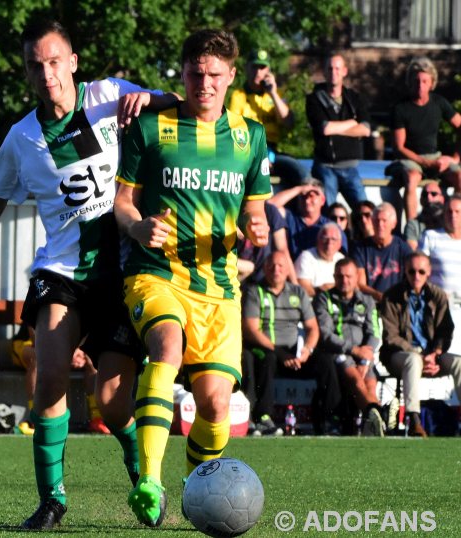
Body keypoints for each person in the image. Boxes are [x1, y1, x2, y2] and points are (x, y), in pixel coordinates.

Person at [0, 20, 176, 530]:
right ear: (27, 73)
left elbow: (179, 106)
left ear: (73, 62)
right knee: (51, 373)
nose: (47, 73)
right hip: (61, 272)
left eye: (55, 61)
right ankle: (52, 499)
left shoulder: (110, 96)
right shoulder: (22, 139)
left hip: (122, 274)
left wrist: (153, 100)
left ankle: (144, 478)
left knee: (111, 402)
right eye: (36, 65)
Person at [113, 28, 270, 527]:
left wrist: (259, 227)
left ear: (230, 78)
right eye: (195, 73)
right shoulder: (150, 127)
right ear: (182, 74)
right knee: (166, 349)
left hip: (219, 288)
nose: (204, 83)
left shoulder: (250, 137)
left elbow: (256, 215)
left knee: (216, 403)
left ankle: (194, 488)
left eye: (214, 76)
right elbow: (121, 203)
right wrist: (137, 226)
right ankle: (150, 480)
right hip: (156, 274)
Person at [379, 252, 461, 438]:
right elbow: (391, 337)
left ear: (428, 272)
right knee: (413, 361)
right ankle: (414, 422)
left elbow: (446, 330)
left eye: (421, 272)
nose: (416, 276)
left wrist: (436, 353)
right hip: (399, 355)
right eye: (411, 271)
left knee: (459, 362)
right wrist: (419, 355)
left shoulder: (438, 295)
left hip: (431, 355)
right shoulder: (391, 297)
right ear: (405, 272)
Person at [242, 252, 339, 436]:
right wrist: (280, 353)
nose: (276, 270)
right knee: (266, 358)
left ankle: (330, 419)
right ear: (264, 268)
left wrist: (307, 350)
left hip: (295, 355)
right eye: (271, 266)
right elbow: (251, 330)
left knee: (325, 361)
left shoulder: (298, 292)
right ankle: (263, 418)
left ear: (288, 270)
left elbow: (312, 328)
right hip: (269, 351)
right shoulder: (254, 291)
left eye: (280, 266)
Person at [387, 57, 461, 222]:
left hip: (434, 156)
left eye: (425, 81)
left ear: (432, 83)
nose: (420, 85)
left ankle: (455, 222)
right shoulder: (401, 108)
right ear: (410, 82)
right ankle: (412, 229)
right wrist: (424, 163)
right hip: (410, 158)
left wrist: (454, 157)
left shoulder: (439, 103)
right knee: (412, 178)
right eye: (416, 81)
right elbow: (399, 147)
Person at [313, 258, 384, 436]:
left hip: (364, 354)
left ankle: (375, 423)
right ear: (334, 277)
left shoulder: (367, 301)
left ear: (357, 277)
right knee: (356, 380)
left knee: (370, 384)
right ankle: (375, 414)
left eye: (349, 276)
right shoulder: (324, 298)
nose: (344, 280)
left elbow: (374, 332)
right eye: (340, 276)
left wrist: (365, 356)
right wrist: (354, 350)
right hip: (338, 352)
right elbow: (326, 334)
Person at [228, 49, 308, 186]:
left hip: (273, 151)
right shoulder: (238, 95)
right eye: (254, 67)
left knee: (299, 171)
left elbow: (288, 122)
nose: (258, 72)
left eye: (262, 67)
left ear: (268, 71)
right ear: (247, 68)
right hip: (248, 151)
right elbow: (233, 130)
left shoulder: (277, 94)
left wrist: (273, 94)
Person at [306, 53, 370, 209]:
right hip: (325, 167)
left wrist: (336, 128)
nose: (333, 72)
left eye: (337, 68)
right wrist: (352, 123)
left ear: (344, 71)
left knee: (365, 210)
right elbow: (325, 129)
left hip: (350, 167)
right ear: (324, 72)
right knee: (328, 210)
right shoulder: (314, 99)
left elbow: (366, 130)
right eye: (330, 68)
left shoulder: (353, 98)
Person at [419, 195, 461, 305]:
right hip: (436, 305)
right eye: (449, 211)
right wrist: (436, 294)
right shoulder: (430, 236)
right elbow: (420, 272)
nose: (453, 215)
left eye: (457, 211)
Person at [269, 178, 347, 260]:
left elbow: (342, 259)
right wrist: (299, 189)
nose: (307, 200)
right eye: (303, 196)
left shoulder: (331, 227)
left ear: (322, 200)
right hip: (292, 269)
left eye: (312, 196)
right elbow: (270, 206)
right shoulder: (290, 217)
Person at [354, 203, 413, 301]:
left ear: (393, 224)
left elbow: (411, 280)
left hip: (397, 303)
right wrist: (378, 296)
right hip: (368, 302)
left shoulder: (403, 249)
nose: (380, 224)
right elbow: (360, 284)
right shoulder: (360, 248)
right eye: (377, 220)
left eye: (384, 221)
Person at [236, 201, 297, 286]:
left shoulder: (270, 210)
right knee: (248, 267)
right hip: (235, 269)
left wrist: (295, 285)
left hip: (262, 278)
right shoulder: (231, 209)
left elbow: (283, 249)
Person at [294, 222, 345, 297]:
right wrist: (320, 290)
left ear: (340, 244)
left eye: (333, 239)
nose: (329, 243)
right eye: (325, 238)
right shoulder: (306, 257)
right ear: (318, 240)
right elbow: (303, 289)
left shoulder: (341, 258)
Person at [404, 182, 445, 249]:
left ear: (442, 199)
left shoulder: (449, 222)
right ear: (420, 200)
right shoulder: (413, 225)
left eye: (433, 194)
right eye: (425, 194)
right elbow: (413, 254)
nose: (428, 197)